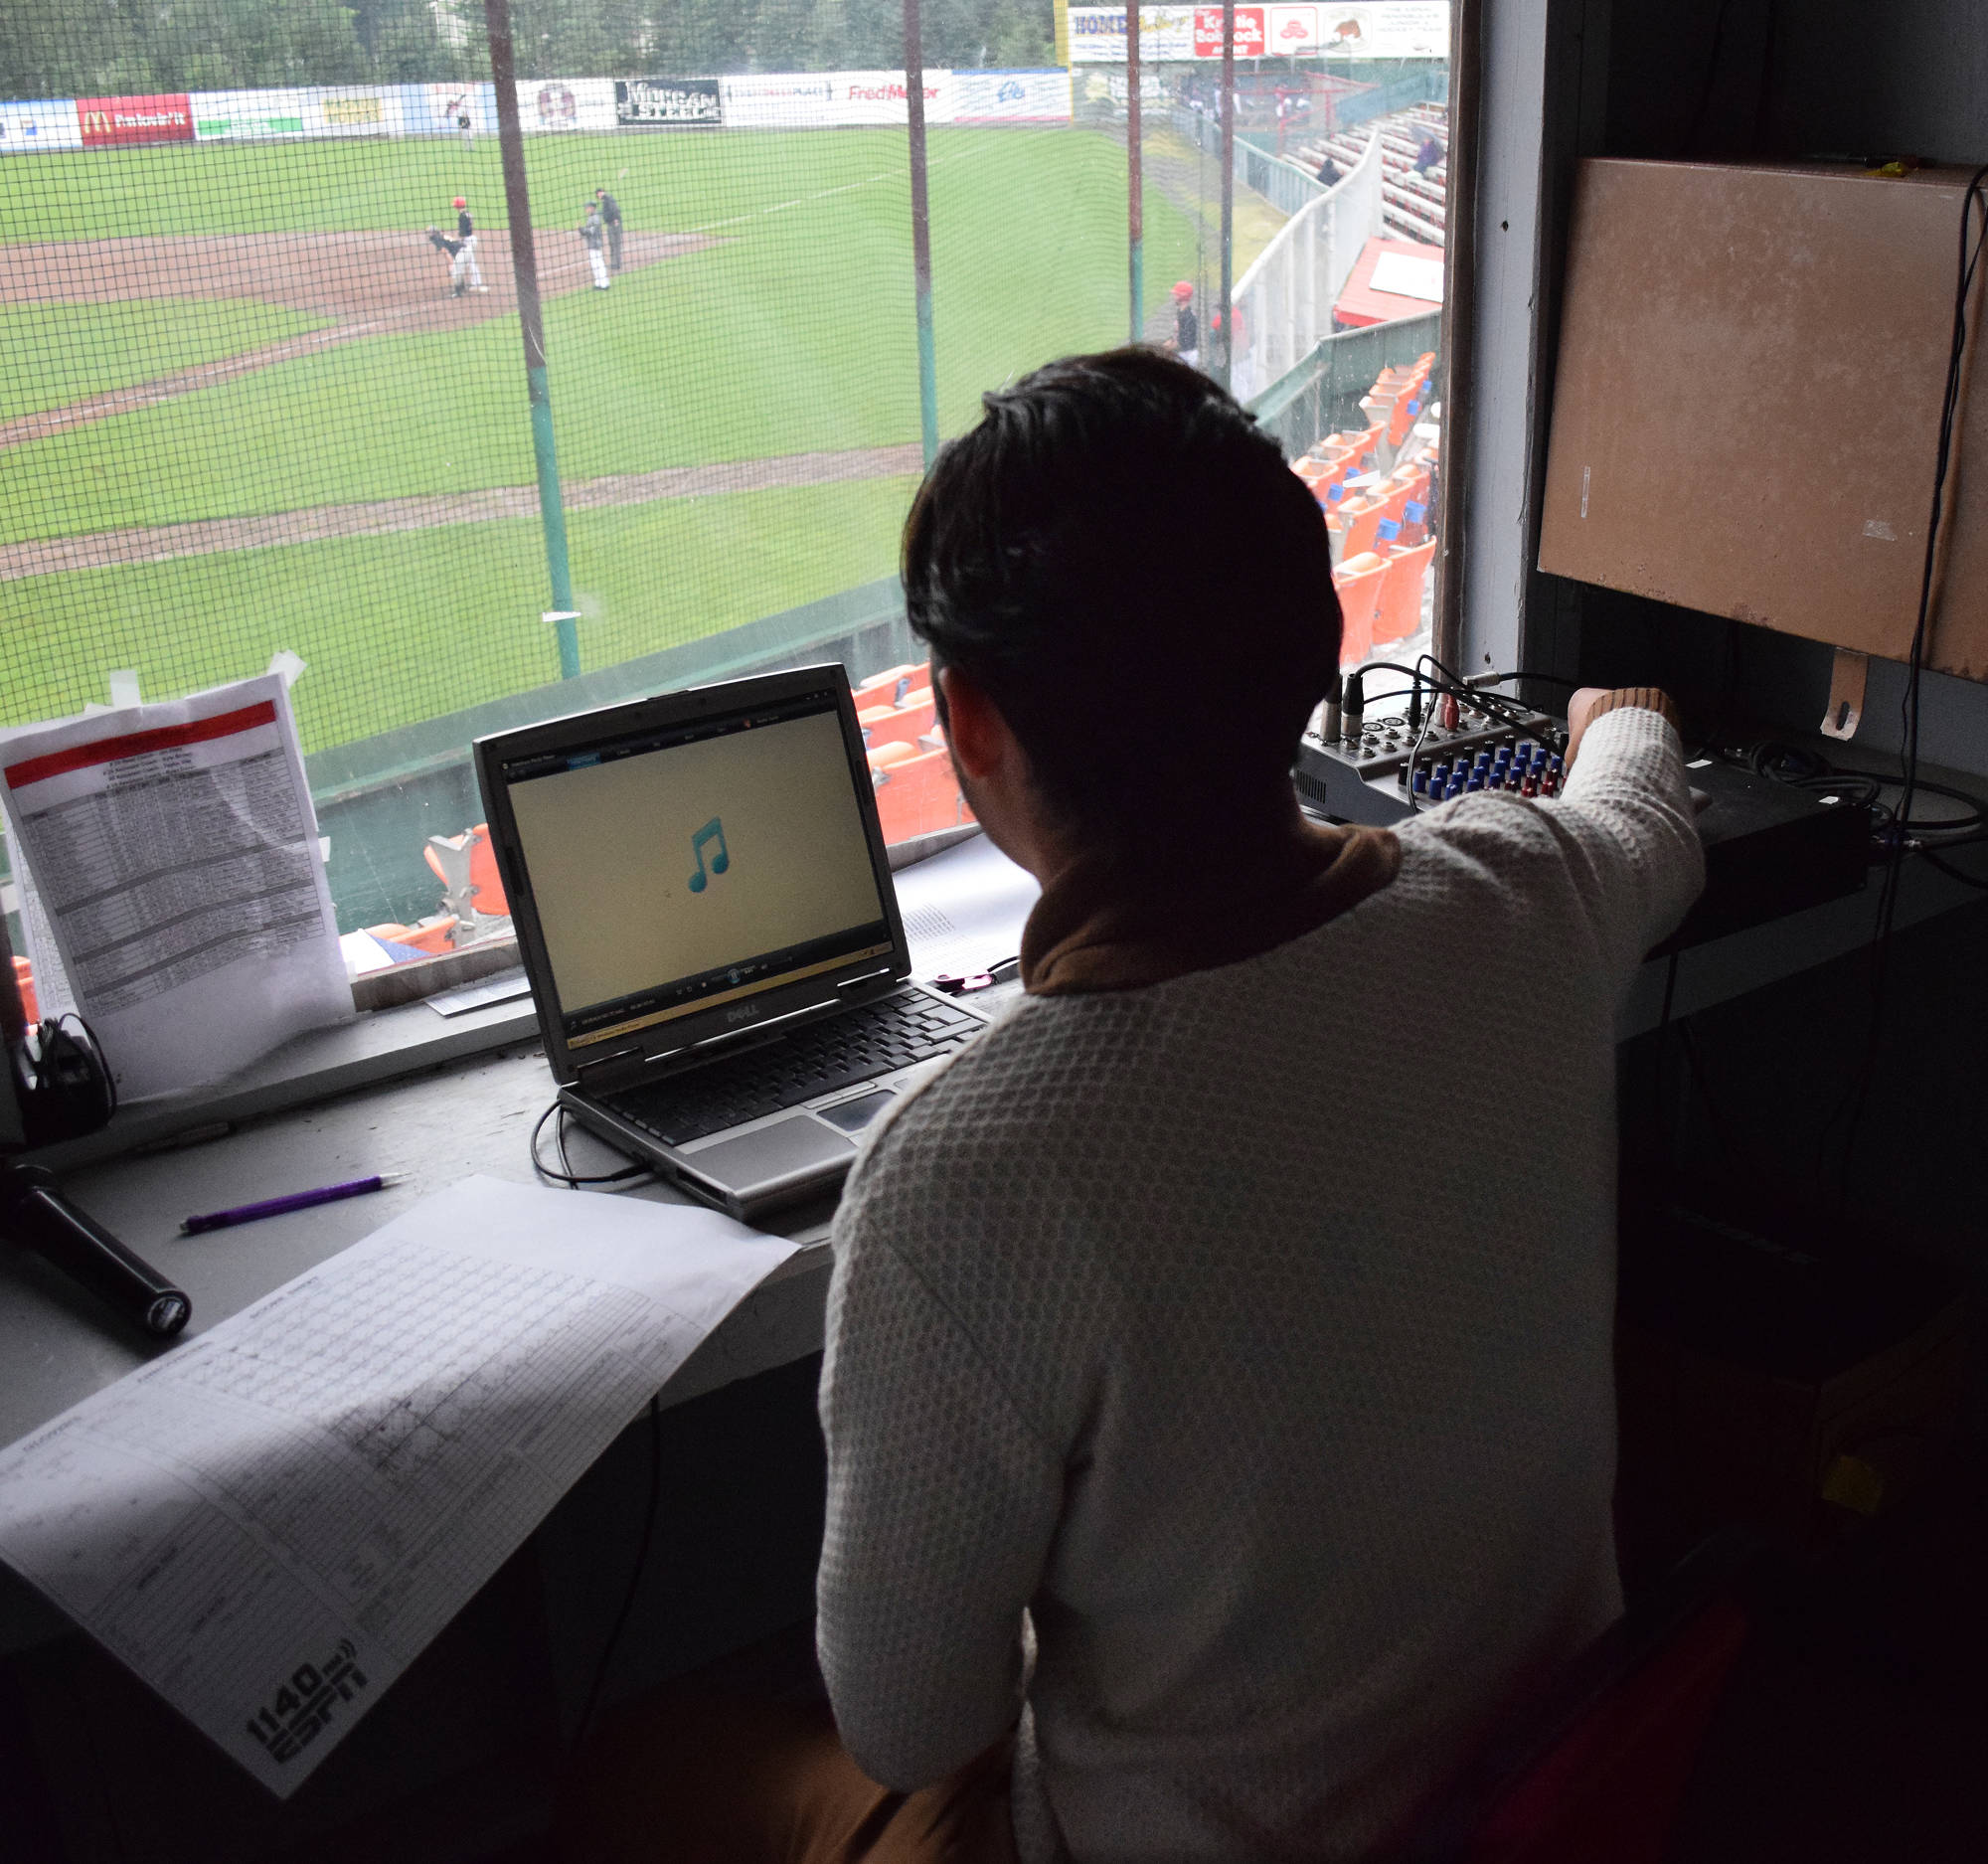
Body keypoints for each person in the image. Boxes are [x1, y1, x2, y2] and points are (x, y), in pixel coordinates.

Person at [557, 351, 1704, 1863]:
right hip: (1525, 1784)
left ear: (971, 722)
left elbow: (913, 1724)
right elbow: (1638, 807)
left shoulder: (964, 1172)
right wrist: (1617, 714)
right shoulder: (1527, 888)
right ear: (1314, 644)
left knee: (650, 1759)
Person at [447, 196, 484, 295]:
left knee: (468, 262)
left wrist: (460, 241)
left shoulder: (462, 216)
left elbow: (462, 232)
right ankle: (475, 282)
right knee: (470, 261)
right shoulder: (468, 214)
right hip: (471, 238)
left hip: (467, 240)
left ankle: (474, 283)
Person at [1165, 279, 1198, 368]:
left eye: (1176, 294)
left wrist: (1164, 349)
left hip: (1187, 356)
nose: (1174, 296)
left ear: (1182, 296)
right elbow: (1178, 333)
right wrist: (1169, 341)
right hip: (1183, 354)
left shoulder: (1187, 316)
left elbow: (1182, 341)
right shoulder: (1181, 312)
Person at [579, 202, 610, 290]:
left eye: (587, 207)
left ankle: (604, 284)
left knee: (599, 264)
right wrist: (582, 230)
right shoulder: (592, 217)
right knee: (595, 265)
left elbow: (591, 231)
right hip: (592, 243)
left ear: (592, 208)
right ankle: (598, 283)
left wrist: (582, 229)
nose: (586, 209)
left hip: (595, 243)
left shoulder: (595, 218)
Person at [594, 186, 623, 272]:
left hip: (614, 224)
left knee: (615, 244)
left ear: (602, 192)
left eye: (599, 193)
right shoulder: (606, 200)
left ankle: (616, 264)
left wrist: (616, 220)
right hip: (611, 224)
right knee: (613, 244)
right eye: (598, 194)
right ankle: (615, 263)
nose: (599, 195)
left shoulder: (608, 199)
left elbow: (615, 210)